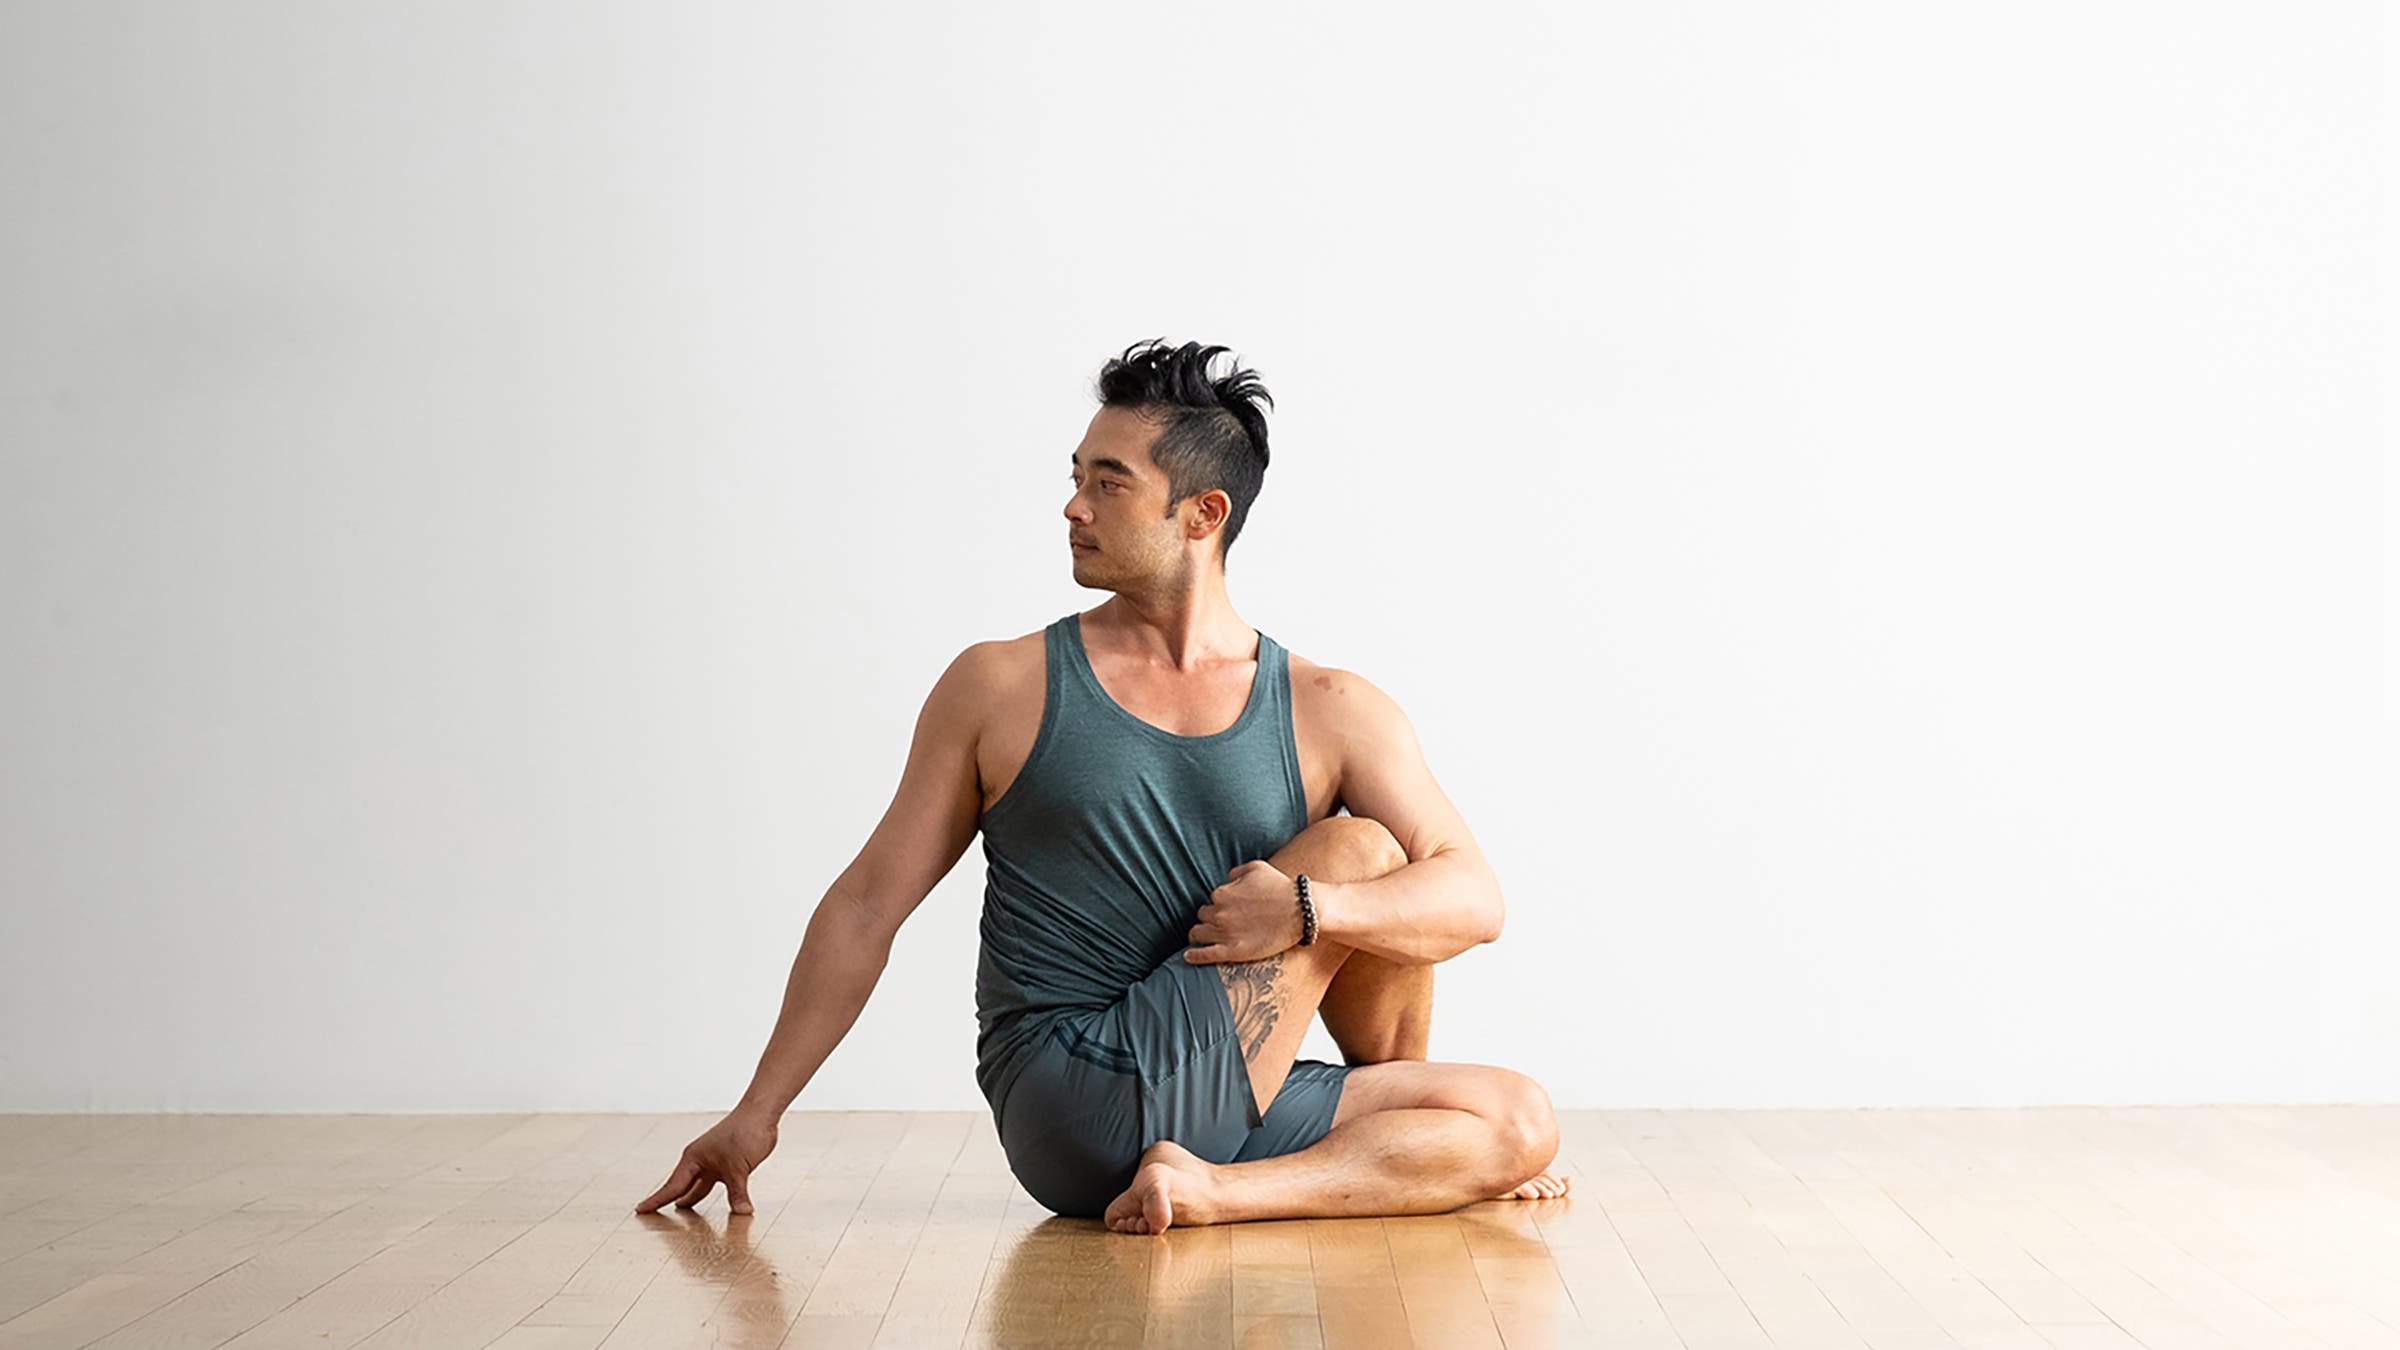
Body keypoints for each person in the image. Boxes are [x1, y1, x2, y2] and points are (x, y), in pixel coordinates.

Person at [635, 338, 1569, 1234]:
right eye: (1076, 478)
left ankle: (1217, 1191)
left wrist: (1305, 913)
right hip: (1067, 1094)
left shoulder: (1329, 704)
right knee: (1362, 849)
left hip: (1225, 1083)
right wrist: (755, 1114)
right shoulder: (1001, 685)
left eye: (1108, 484)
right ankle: (1364, 1164)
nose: (1074, 507)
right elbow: (868, 902)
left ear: (1203, 515)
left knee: (1519, 1122)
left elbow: (1475, 899)